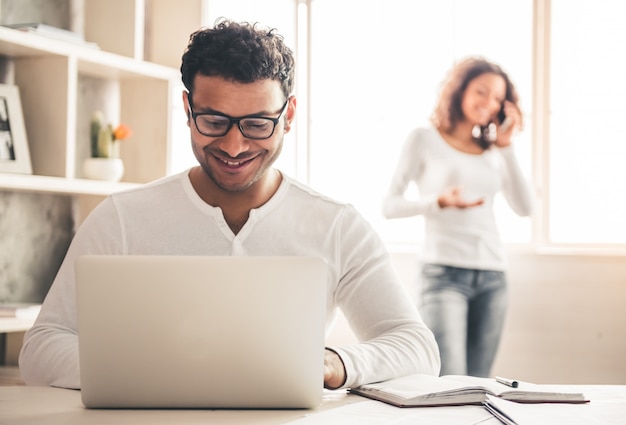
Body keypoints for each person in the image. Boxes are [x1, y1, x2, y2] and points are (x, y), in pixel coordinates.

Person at [19, 19, 440, 390]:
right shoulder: (121, 218)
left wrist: (333, 363)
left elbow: (416, 347)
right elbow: (41, 348)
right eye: (214, 122)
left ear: (288, 116)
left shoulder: (335, 225)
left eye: (257, 124)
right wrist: (142, 370)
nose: (234, 146)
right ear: (187, 109)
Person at [382, 57, 532, 377]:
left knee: (479, 385)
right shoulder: (424, 138)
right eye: (481, 92)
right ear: (460, 90)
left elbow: (525, 207)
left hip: (493, 276)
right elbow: (390, 206)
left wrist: (507, 147)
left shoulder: (495, 151)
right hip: (443, 273)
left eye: (497, 98)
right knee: (449, 382)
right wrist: (438, 201)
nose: (488, 103)